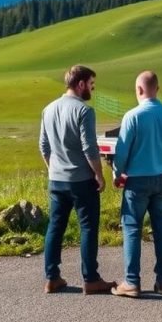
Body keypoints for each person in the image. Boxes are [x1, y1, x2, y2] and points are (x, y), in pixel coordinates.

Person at [38, 64, 117, 295]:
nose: (92, 89)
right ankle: (90, 279)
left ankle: (52, 278)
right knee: (88, 228)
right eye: (91, 84)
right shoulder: (84, 111)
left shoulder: (48, 109)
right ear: (81, 84)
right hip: (81, 180)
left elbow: (43, 146)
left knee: (55, 228)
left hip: (57, 180)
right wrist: (99, 175)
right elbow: (89, 148)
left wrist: (54, 169)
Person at [110, 71, 162, 298]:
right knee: (161, 229)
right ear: (157, 89)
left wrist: (117, 173)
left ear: (139, 90)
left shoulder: (132, 116)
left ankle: (132, 282)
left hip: (137, 181)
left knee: (132, 228)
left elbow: (121, 152)